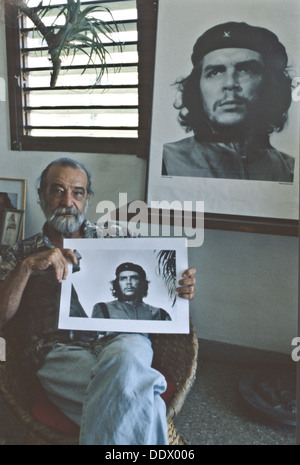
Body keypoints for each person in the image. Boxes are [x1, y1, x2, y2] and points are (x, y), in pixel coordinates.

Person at [0, 157, 196, 445]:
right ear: (41, 195)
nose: (68, 201)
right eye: (57, 191)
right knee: (138, 395)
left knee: (128, 360)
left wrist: (181, 289)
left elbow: (158, 294)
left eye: (77, 192)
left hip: (123, 340)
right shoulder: (19, 253)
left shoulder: (117, 237)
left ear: (88, 198)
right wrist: (27, 267)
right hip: (59, 351)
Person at [162, 21, 295, 182]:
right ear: (197, 89)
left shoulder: (289, 170)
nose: (230, 84)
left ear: (270, 85)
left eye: (246, 70)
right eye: (215, 72)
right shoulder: (166, 161)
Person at [92, 262, 171, 321]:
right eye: (123, 278)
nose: (128, 282)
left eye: (134, 278)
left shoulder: (160, 314)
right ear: (117, 283)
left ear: (142, 283)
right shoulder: (103, 309)